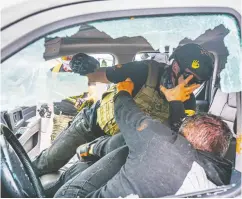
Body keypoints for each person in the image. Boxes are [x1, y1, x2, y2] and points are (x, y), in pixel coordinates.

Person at [32, 43, 213, 176]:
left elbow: (180, 138)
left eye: (200, 81)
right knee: (48, 162)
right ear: (175, 67)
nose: (195, 85)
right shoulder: (144, 70)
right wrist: (83, 68)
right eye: (191, 77)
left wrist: (176, 102)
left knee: (81, 179)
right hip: (92, 124)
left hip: (118, 146)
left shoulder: (188, 103)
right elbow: (99, 76)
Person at [54, 78, 233, 198]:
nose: (174, 135)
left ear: (187, 138)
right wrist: (174, 101)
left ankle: (87, 151)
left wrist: (123, 92)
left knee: (128, 144)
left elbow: (126, 113)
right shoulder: (227, 183)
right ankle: (90, 151)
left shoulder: (160, 145)